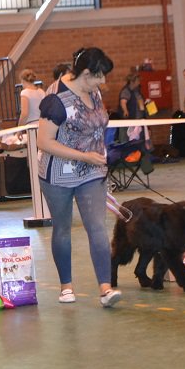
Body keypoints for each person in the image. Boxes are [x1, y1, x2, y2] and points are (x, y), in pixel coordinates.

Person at [36, 47, 122, 308]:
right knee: (62, 229)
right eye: (100, 77)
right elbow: (44, 141)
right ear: (85, 73)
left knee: (97, 226)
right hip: (57, 175)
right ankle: (66, 286)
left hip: (92, 172)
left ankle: (106, 288)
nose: (103, 83)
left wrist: (97, 154)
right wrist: (83, 156)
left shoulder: (92, 92)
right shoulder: (56, 100)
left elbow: (98, 124)